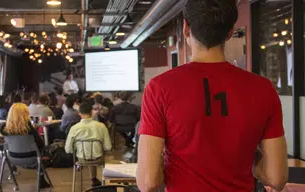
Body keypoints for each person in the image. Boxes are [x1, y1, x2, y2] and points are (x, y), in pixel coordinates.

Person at [137, 1, 288, 192]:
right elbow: (276, 178)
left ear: (185, 28)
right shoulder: (263, 89)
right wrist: (248, 157)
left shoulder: (159, 88)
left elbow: (148, 181)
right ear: (230, 31)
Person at [0, 103, 50, 188]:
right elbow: (40, 144)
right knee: (43, 154)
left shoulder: (5, 129)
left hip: (13, 159)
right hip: (32, 159)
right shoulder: (29, 128)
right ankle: (41, 180)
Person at [65, 102, 112, 187]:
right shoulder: (101, 126)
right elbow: (108, 147)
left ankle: (93, 179)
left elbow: (68, 149)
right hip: (98, 159)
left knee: (87, 154)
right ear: (91, 112)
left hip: (82, 159)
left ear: (79, 114)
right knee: (94, 153)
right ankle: (95, 180)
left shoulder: (74, 128)